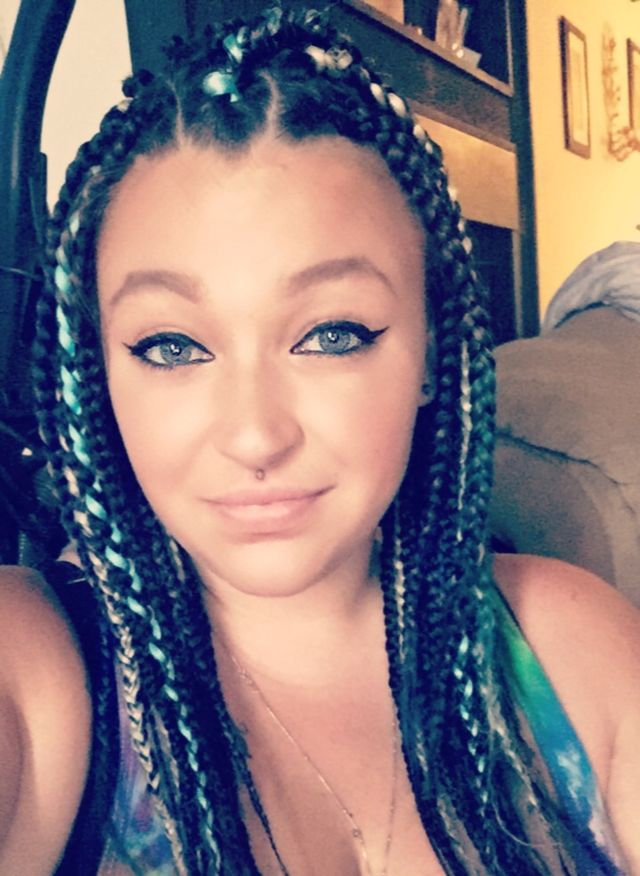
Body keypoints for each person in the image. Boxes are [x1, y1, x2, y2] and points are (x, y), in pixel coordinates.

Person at [1, 6, 639, 875]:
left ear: (432, 354)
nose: (255, 434)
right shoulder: (37, 674)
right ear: (98, 375)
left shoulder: (573, 654)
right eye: (172, 346)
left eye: (332, 334)